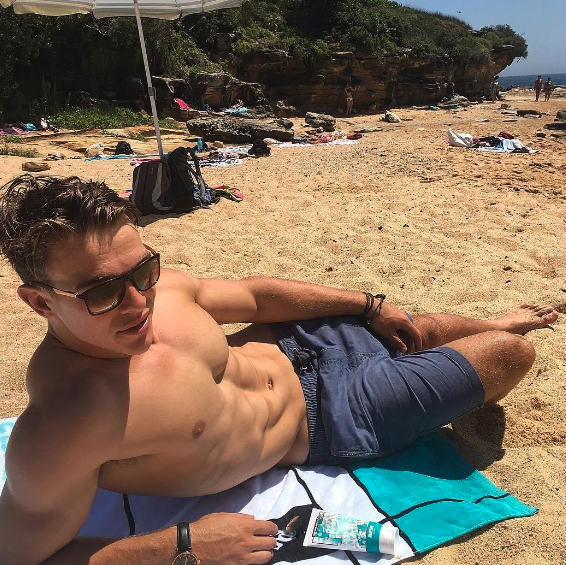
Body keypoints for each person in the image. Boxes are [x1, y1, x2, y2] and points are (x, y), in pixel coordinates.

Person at [0, 175, 558, 565]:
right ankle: (500, 332)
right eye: (101, 292)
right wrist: (182, 546)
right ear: (41, 303)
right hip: (331, 417)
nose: (138, 301)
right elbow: (23, 557)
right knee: (511, 354)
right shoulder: (64, 425)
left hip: (293, 345)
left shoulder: (151, 289)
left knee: (418, 325)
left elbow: (252, 297)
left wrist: (367, 304)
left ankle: (493, 317)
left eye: (143, 269)